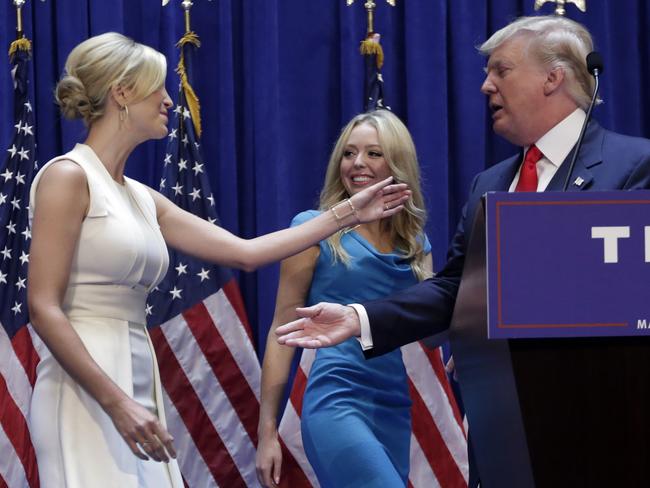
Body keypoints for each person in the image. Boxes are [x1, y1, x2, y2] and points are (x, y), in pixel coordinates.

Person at [275, 15, 650, 487]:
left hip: (596, 426)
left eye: (501, 71)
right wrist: (360, 318)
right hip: (503, 430)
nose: (485, 86)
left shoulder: (635, 166)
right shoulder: (489, 185)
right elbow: (456, 288)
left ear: (553, 77)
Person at [26, 33, 410, 488]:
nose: (170, 100)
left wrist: (349, 212)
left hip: (135, 375)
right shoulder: (67, 176)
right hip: (83, 387)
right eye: (159, 88)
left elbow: (246, 253)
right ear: (122, 93)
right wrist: (116, 403)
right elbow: (43, 307)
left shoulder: (142, 197)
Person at [256, 110, 448, 487]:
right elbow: (282, 331)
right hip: (336, 402)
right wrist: (267, 433)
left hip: (393, 407)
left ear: (397, 162)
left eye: (373, 153)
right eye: (349, 153)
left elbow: (431, 334)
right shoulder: (311, 228)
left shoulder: (416, 242)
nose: (358, 163)